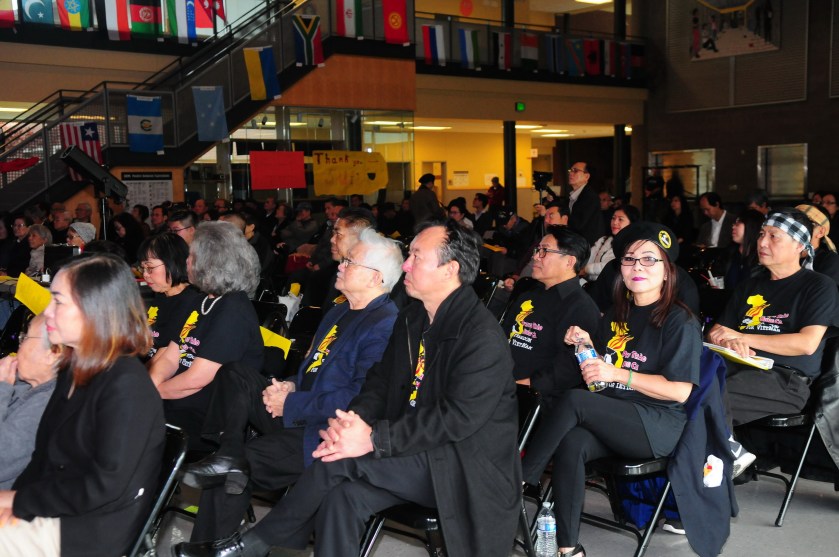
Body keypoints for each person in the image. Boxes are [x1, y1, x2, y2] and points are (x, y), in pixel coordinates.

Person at [175, 220, 522, 557]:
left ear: (450, 269)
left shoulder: (480, 336)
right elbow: (379, 383)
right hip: (412, 446)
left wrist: (372, 439)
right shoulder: (413, 318)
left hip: (459, 464)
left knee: (335, 461)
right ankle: (241, 516)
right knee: (342, 497)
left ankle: (251, 545)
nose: (406, 265)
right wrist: (350, 423)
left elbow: (455, 419)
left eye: (417, 256)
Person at [181, 229, 403, 542]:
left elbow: (358, 399)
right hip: (300, 409)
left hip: (324, 430)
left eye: (350, 262)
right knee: (235, 373)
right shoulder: (340, 310)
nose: (340, 265)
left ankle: (210, 544)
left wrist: (291, 404)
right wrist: (289, 386)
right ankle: (227, 452)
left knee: (242, 466)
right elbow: (312, 369)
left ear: (375, 277)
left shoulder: (384, 324)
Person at [521, 222, 700, 557]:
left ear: (667, 271)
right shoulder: (617, 314)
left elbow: (680, 392)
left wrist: (618, 373)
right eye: (629, 259)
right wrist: (585, 347)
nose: (637, 267)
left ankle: (518, 481)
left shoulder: (680, 321)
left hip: (657, 423)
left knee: (574, 399)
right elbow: (598, 381)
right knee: (572, 443)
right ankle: (568, 549)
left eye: (649, 259)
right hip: (615, 413)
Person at [0, 254, 165, 555]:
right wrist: (13, 499)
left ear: (94, 309)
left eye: (58, 301)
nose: (48, 312)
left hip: (88, 530)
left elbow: (102, 486)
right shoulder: (75, 368)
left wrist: (18, 502)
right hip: (54, 509)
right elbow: (42, 457)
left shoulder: (127, 385)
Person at [707, 209, 839, 477]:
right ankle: (726, 452)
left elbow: (807, 343)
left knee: (704, 392)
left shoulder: (818, 286)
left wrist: (743, 337)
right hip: (738, 367)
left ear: (800, 246)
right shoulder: (750, 285)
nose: (762, 242)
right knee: (686, 383)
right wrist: (727, 341)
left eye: (774, 236)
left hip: (785, 380)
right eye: (761, 234)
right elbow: (718, 331)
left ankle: (723, 456)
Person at [150, 222, 263, 448]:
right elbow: (170, 357)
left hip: (204, 419)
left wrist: (152, 394)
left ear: (211, 262)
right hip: (175, 401)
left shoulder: (234, 310)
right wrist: (149, 387)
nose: (186, 261)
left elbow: (196, 379)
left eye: (192, 255)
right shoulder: (199, 301)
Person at [502, 227, 601, 400]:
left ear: (569, 261)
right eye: (537, 250)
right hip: (500, 381)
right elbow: (501, 338)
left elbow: (568, 369)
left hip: (533, 398)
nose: (535, 257)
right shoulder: (528, 295)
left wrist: (519, 388)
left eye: (544, 251)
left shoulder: (581, 308)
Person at [0, 314, 61, 490]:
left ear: (52, 354)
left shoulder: (45, 406)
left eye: (25, 338)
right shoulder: (24, 384)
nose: (19, 345)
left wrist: (2, 388)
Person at [138, 233, 203, 362]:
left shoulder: (192, 301)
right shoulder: (162, 295)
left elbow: (166, 353)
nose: (145, 274)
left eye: (150, 268)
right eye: (143, 268)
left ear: (172, 263)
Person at [582, 205, 640, 282]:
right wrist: (583, 269)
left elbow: (610, 265)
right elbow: (589, 255)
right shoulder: (604, 239)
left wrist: (586, 269)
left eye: (620, 219)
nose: (615, 222)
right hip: (591, 282)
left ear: (631, 224)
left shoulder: (632, 246)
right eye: (613, 218)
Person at [796, 203, 839, 284]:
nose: (798, 227)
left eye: (806, 222)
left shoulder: (829, 260)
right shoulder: (783, 253)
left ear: (821, 232)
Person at [724, 209, 764, 290]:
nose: (733, 226)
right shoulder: (729, 254)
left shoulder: (762, 260)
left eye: (738, 223)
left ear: (751, 227)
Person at [566, 162, 603, 246]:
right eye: (570, 170)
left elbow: (577, 223)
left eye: (575, 171)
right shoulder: (572, 196)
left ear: (587, 176)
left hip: (586, 246)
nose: (571, 173)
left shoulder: (590, 197)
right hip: (576, 243)